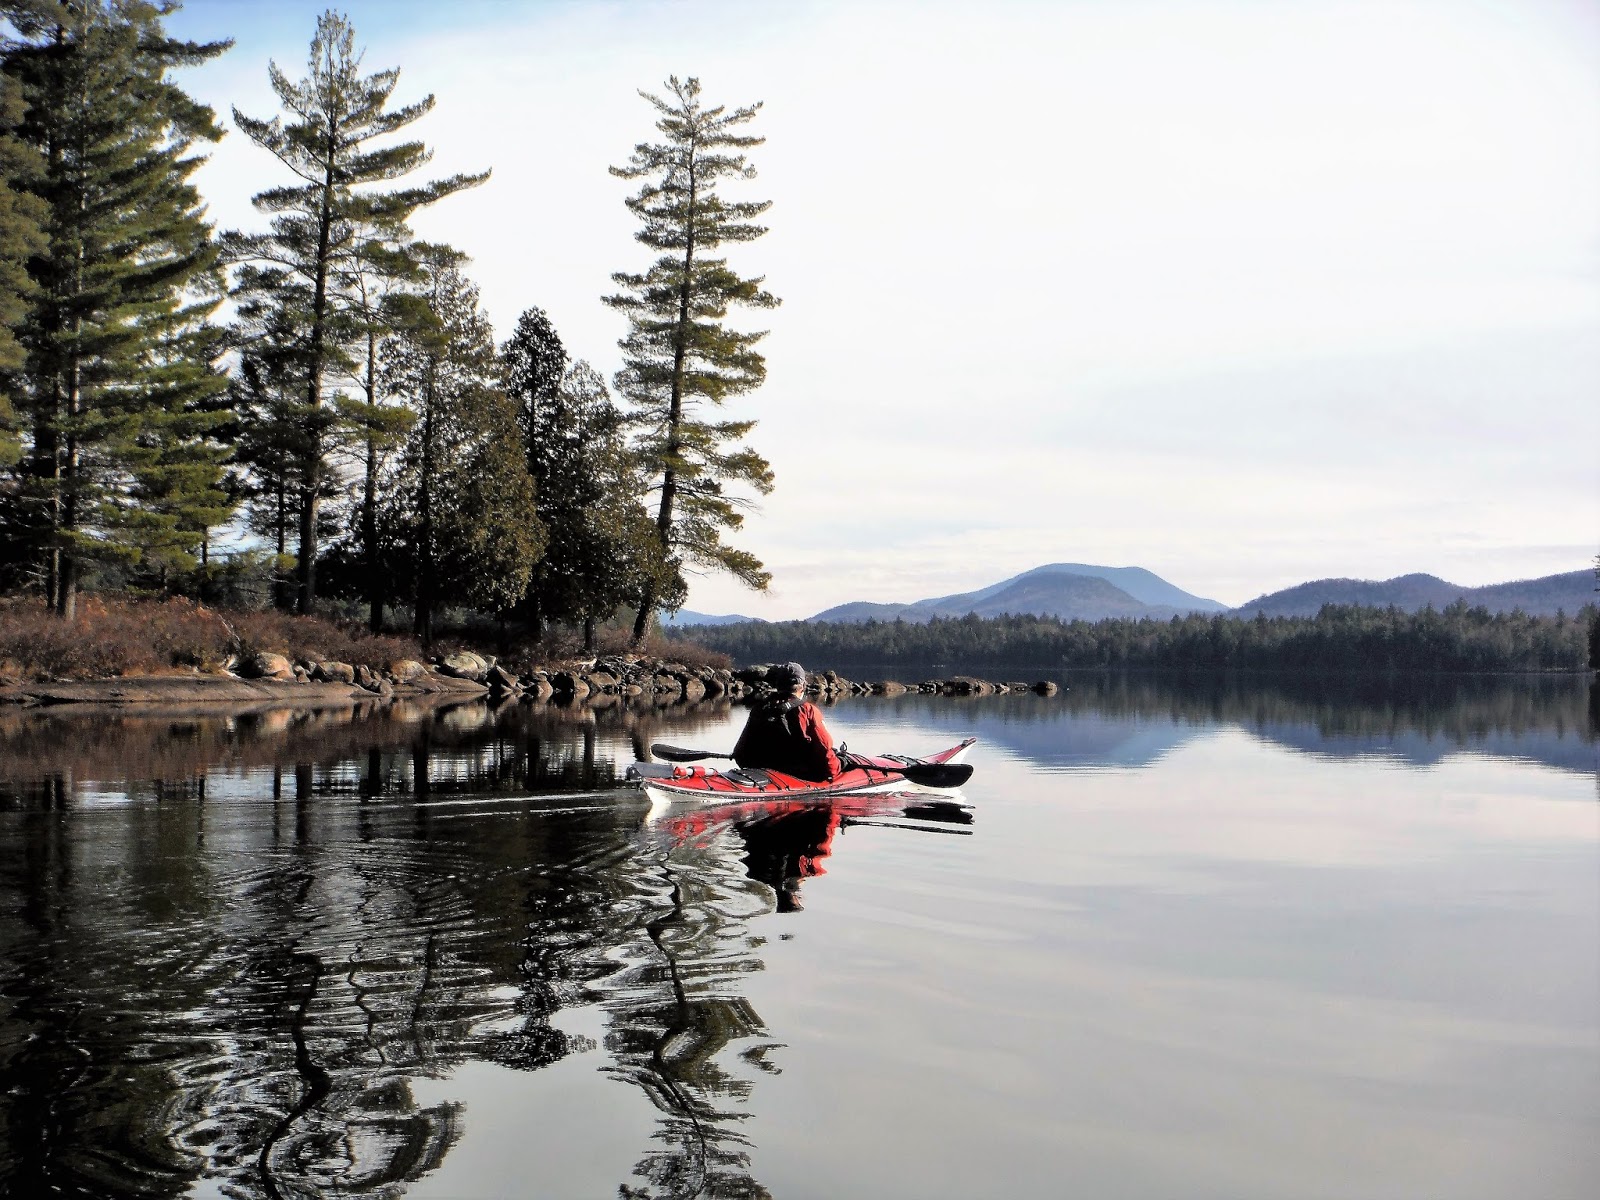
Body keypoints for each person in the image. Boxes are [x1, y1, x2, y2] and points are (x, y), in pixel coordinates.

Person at [731, 661, 841, 782]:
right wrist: (838, 767)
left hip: (764, 776)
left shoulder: (759, 709)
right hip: (800, 776)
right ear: (803, 686)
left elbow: (740, 755)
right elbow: (826, 753)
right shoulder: (809, 711)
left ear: (778, 684)